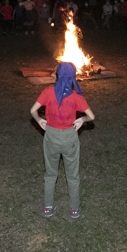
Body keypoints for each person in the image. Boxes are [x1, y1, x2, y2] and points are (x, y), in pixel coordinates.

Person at [30, 62, 95, 219]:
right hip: (69, 137)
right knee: (72, 175)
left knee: (50, 174)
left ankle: (48, 207)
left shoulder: (47, 92)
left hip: (51, 136)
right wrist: (82, 120)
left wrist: (39, 120)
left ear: (56, 76)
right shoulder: (76, 97)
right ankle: (74, 209)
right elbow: (92, 116)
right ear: (73, 77)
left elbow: (33, 110)